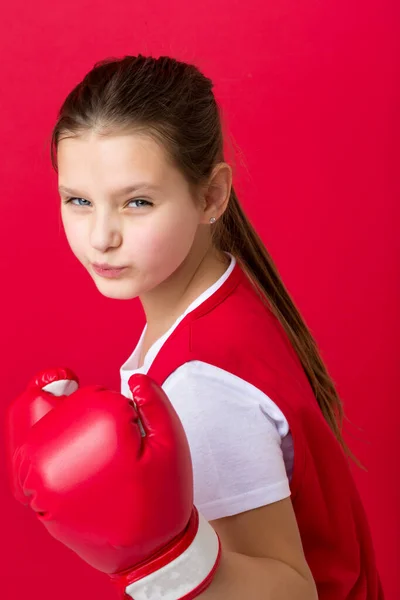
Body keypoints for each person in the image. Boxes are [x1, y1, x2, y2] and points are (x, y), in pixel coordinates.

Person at [5, 55, 383, 600]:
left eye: (137, 202)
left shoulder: (201, 382)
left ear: (210, 196)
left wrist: (156, 556)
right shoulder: (229, 297)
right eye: (79, 201)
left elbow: (294, 591)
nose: (101, 236)